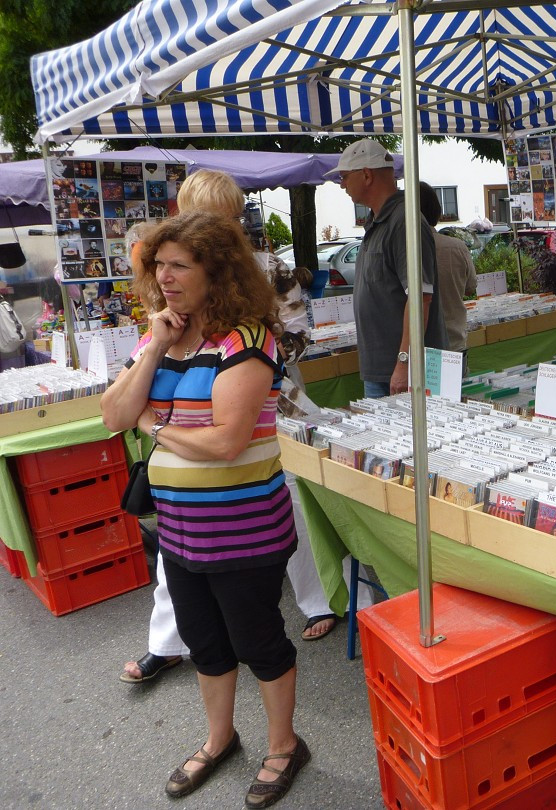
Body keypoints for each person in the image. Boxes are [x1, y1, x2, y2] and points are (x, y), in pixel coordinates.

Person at [101, 211, 309, 806]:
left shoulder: (245, 339)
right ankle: (219, 739)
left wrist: (156, 424)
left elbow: (226, 441)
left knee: (259, 641)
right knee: (203, 641)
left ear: (214, 271)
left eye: (178, 265)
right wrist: (158, 346)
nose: (163, 277)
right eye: (157, 265)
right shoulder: (159, 336)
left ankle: (283, 745)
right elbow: (114, 417)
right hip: (181, 530)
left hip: (244, 530)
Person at [119, 174, 346, 687]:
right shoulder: (170, 268)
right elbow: (128, 391)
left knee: (280, 502)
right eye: (206, 213)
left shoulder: (261, 268)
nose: (221, 226)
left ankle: (316, 601)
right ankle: (168, 641)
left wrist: (252, 358)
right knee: (181, 549)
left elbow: (293, 334)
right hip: (190, 424)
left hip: (264, 402)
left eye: (228, 215)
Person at [326, 139, 448, 397]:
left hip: (405, 371)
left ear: (367, 175)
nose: (342, 184)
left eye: (345, 176)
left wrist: (404, 363)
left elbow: (420, 298)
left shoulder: (404, 221)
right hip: (385, 369)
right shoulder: (379, 220)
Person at [418, 181, 477, 359]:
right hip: (455, 342)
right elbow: (470, 288)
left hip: (419, 349)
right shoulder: (457, 247)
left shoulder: (407, 249)